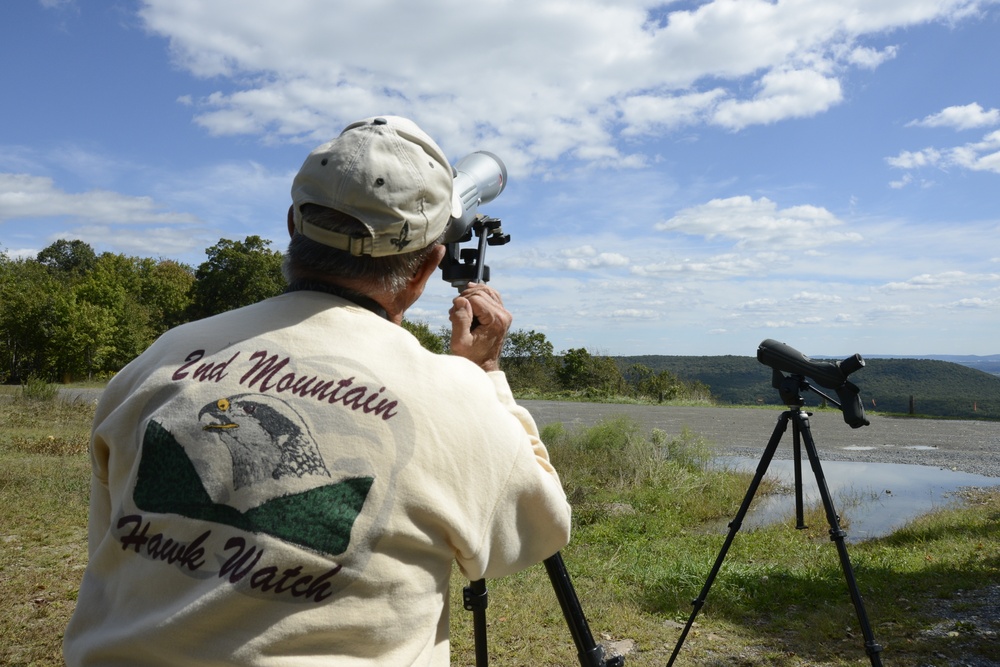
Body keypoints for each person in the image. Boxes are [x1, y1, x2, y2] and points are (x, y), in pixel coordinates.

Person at [63, 115, 572, 666]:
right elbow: (540, 529)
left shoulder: (159, 359)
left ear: (292, 225)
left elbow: (112, 551)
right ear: (430, 262)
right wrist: (485, 375)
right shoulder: (454, 393)